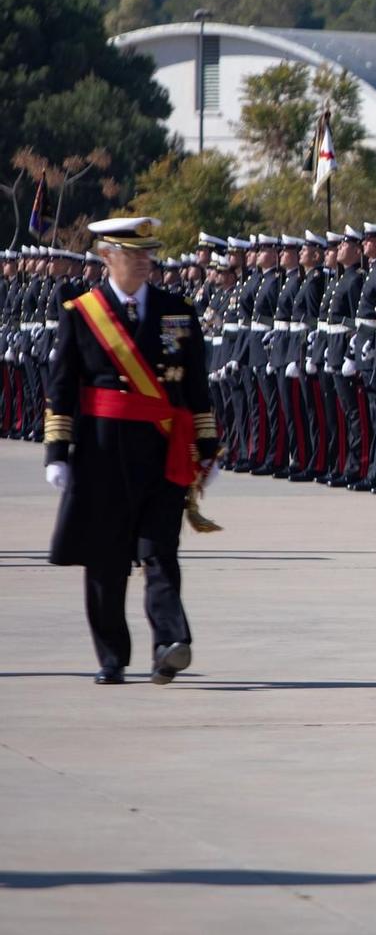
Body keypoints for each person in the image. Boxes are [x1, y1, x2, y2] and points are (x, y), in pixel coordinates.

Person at [43, 217, 220, 685]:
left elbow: (197, 387)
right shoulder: (82, 312)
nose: (144, 262)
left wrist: (207, 447)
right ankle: (112, 656)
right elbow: (62, 387)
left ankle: (169, 644)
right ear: (107, 257)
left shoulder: (176, 311)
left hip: (162, 451)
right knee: (106, 559)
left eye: (148, 254)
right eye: (133, 254)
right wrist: (57, 452)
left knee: (160, 551)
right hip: (101, 453)